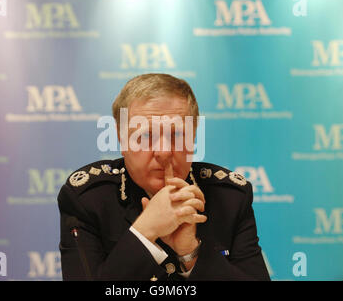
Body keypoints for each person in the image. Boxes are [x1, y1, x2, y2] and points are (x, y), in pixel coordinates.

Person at [57, 73, 270, 281]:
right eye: (146, 136)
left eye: (177, 135)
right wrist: (145, 232)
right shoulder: (87, 199)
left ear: (193, 137)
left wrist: (190, 253)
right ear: (121, 139)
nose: (164, 152)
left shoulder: (230, 197)